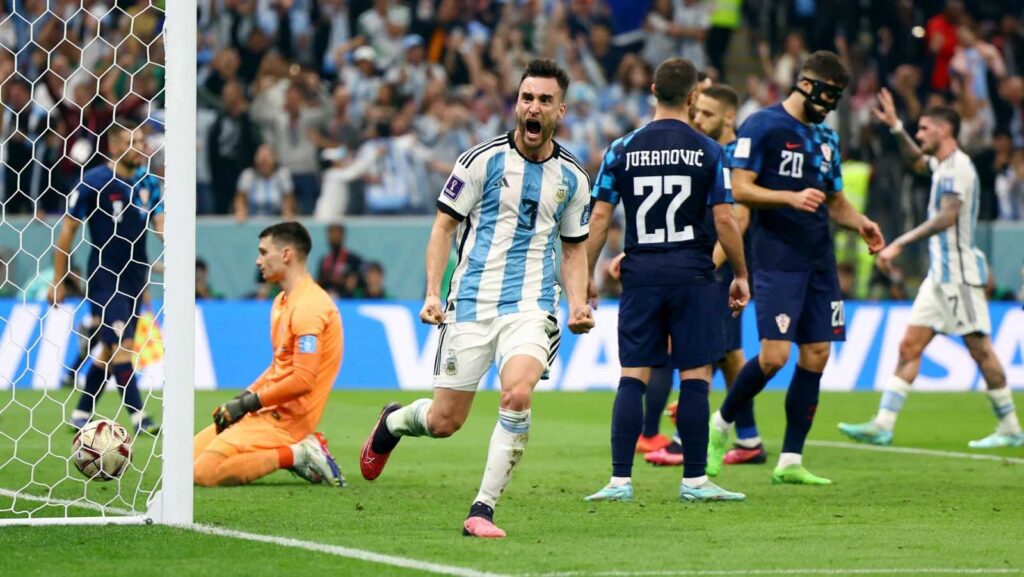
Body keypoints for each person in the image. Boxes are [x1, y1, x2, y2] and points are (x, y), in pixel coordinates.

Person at [358, 59, 595, 539]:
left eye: (545, 100)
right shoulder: (479, 161)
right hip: (469, 304)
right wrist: (431, 292)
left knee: (518, 392)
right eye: (527, 97)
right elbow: (444, 226)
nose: (534, 107)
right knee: (444, 422)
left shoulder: (572, 178)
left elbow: (573, 250)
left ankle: (482, 510)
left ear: (560, 111)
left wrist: (577, 304)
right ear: (517, 104)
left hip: (531, 306)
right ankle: (394, 421)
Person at [706, 51, 886, 485]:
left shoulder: (826, 138)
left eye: (837, 96)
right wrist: (788, 197)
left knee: (817, 354)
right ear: (805, 84)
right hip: (777, 257)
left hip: (819, 259)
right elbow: (740, 186)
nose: (830, 104)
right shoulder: (763, 126)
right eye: (827, 93)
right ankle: (721, 426)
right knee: (773, 357)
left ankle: (790, 460)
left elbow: (835, 200)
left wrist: (859, 222)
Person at [582, 57, 750, 504]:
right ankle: (695, 480)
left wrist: (587, 274)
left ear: (653, 90)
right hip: (694, 274)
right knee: (695, 377)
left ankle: (619, 481)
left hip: (641, 274)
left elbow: (600, 217)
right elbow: (726, 220)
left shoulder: (622, 148)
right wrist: (740, 273)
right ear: (694, 97)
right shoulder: (710, 151)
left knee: (632, 376)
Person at [839, 95, 1023, 449]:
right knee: (909, 346)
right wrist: (895, 126)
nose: (919, 134)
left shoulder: (959, 168)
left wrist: (900, 243)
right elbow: (916, 162)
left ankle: (1011, 426)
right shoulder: (943, 165)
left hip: (959, 277)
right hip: (938, 277)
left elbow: (947, 216)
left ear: (944, 130)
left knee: (981, 350)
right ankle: (882, 424)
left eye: (924, 128)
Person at [645, 83, 768, 468]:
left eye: (707, 115)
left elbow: (740, 218)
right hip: (714, 268)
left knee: (708, 351)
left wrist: (706, 266)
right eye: (696, 113)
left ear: (729, 117)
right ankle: (747, 437)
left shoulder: (733, 156)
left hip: (722, 269)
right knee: (728, 356)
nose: (698, 120)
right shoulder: (705, 151)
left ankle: (688, 437)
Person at [193, 222, 346, 487]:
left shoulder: (310, 306)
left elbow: (302, 380)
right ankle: (290, 451)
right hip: (266, 409)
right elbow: (279, 366)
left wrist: (248, 404)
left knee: (204, 473)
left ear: (286, 254)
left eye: (264, 252)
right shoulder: (282, 302)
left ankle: (298, 453)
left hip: (286, 420)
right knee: (182, 461)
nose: (258, 260)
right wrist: (241, 399)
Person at [51, 124, 163, 434]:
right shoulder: (94, 182)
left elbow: (158, 227)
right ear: (115, 148)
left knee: (109, 349)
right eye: (133, 142)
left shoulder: (148, 183)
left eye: (142, 141)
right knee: (123, 345)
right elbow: (67, 234)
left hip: (135, 279)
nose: (141, 147)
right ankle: (140, 418)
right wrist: (58, 280)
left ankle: (82, 411)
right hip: (105, 277)